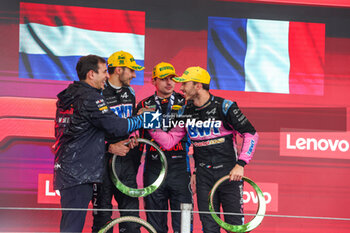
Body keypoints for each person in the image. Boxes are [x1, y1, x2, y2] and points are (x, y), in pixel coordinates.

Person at [148, 66, 258, 233]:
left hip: (229, 174)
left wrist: (241, 164)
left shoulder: (225, 107)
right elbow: (169, 141)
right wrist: (149, 124)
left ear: (198, 86)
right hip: (203, 177)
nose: (181, 88)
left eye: (185, 84)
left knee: (236, 227)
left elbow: (251, 134)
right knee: (209, 228)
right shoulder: (186, 110)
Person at [53, 54, 144, 233]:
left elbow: (72, 135)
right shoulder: (92, 98)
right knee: (74, 226)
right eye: (103, 72)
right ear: (91, 74)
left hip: (70, 170)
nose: (106, 76)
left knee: (71, 225)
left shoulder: (69, 95)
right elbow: (117, 126)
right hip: (80, 171)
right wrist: (143, 119)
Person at [136, 62, 192, 233]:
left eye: (172, 79)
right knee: (155, 225)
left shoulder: (186, 102)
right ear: (154, 81)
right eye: (164, 79)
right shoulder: (143, 105)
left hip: (180, 168)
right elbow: (135, 136)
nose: (169, 83)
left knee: (183, 224)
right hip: (153, 167)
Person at [92, 51, 144, 233]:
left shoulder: (130, 92)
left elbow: (131, 121)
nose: (134, 75)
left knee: (131, 219)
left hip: (126, 161)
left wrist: (133, 136)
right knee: (102, 218)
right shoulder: (98, 92)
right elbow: (91, 129)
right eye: (131, 70)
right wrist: (109, 147)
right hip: (103, 160)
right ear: (119, 70)